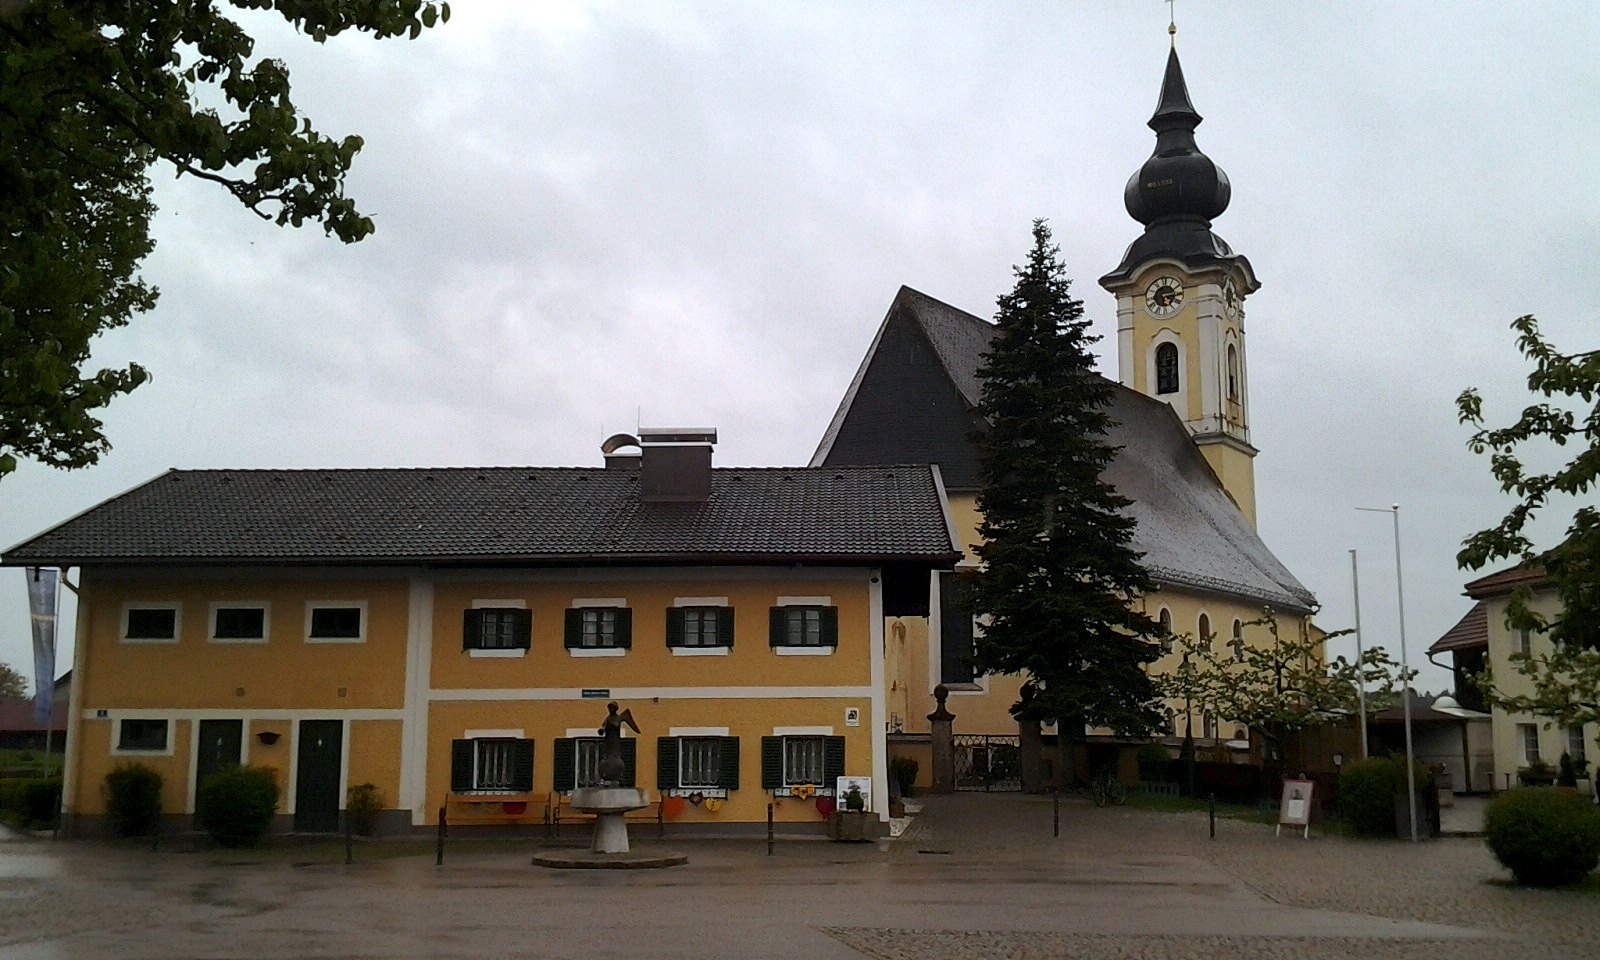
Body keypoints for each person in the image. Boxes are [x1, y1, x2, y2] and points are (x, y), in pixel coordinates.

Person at [597, 701, 639, 786]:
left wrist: (611, 724)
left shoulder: (617, 718)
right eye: (609, 707)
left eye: (612, 707)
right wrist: (601, 730)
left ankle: (616, 771)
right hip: (608, 740)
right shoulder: (608, 718)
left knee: (615, 754)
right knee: (608, 754)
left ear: (615, 709)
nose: (610, 709)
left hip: (615, 740)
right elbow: (603, 727)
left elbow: (616, 725)